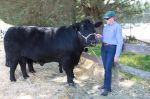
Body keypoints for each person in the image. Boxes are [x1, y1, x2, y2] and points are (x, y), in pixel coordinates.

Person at [96, 11, 123, 96]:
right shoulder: (106, 27)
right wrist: (101, 37)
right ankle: (106, 85)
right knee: (105, 67)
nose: (107, 20)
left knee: (108, 68)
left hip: (112, 48)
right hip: (104, 47)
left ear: (113, 18)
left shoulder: (117, 27)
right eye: (106, 19)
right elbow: (106, 37)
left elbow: (120, 42)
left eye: (108, 18)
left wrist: (117, 55)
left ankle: (107, 88)